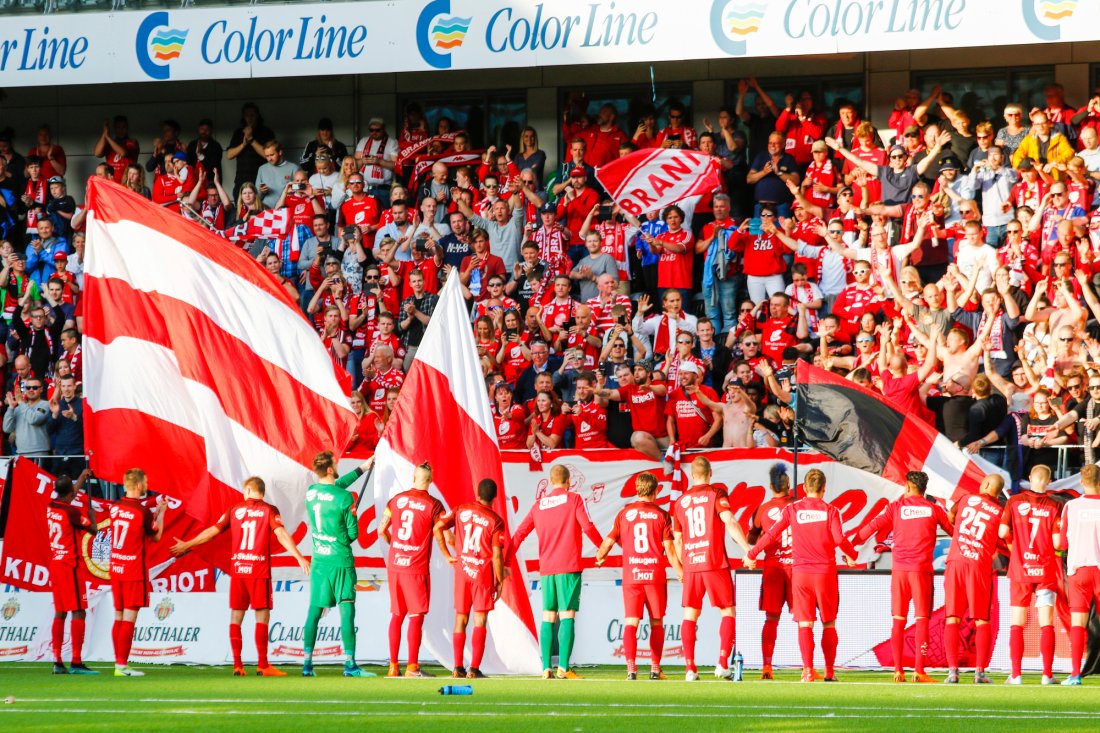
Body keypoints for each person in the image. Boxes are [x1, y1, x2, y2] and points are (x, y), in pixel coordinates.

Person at [171, 476, 310, 677]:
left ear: (247, 491)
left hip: (238, 570)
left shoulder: (234, 510)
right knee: (262, 615)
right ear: (262, 492)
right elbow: (280, 534)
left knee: (236, 616)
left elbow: (211, 532)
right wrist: (298, 557)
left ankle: (237, 665)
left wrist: (187, 544)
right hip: (258, 570)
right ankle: (263, 665)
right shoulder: (269, 510)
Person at [746, 468, 858, 683]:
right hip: (825, 572)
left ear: (805, 488)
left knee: (805, 623)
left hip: (801, 574)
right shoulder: (831, 510)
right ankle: (829, 672)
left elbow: (771, 534)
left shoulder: (793, 509)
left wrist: (751, 553)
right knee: (829, 623)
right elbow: (839, 539)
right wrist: (852, 555)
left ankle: (807, 671)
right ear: (824, 489)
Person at [855, 471, 952, 683]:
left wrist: (850, 546)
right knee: (921, 620)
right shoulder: (934, 510)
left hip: (899, 572)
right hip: (921, 572)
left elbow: (869, 529)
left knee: (898, 620)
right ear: (925, 489)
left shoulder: (896, 508)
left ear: (907, 487)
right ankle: (919, 670)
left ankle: (898, 670)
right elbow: (953, 531)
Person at [510, 463, 603, 679]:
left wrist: (506, 559)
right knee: (567, 614)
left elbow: (520, 533)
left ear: (551, 481)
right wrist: (602, 548)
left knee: (548, 615)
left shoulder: (539, 504)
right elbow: (587, 526)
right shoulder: (574, 499)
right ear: (568, 481)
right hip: (568, 566)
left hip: (547, 569)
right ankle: (563, 667)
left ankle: (545, 668)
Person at [594, 471, 681, 680]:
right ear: (656, 490)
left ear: (637, 490)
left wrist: (600, 556)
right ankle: (654, 668)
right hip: (654, 576)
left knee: (631, 622)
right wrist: (680, 570)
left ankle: (631, 669)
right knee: (657, 622)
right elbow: (669, 549)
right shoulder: (662, 515)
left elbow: (608, 542)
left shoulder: (625, 514)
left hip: (632, 575)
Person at [671, 456, 750, 681]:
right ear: (710, 473)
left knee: (690, 614)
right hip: (714, 561)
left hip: (692, 564)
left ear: (691, 475)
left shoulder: (680, 502)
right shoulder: (716, 494)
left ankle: (689, 669)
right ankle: (722, 664)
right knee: (728, 611)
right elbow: (731, 521)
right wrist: (747, 550)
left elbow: (677, 540)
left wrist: (682, 566)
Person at [302, 451, 374, 678]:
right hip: (341, 561)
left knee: (314, 611)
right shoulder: (345, 499)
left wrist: (363, 468)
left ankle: (307, 665)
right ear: (331, 469)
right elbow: (352, 534)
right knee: (347, 610)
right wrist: (348, 521)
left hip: (320, 561)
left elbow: (335, 487)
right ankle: (350, 664)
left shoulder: (312, 492)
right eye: (336, 462)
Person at [433, 478, 506, 679]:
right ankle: (473, 669)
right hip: (482, 574)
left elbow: (438, 527)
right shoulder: (496, 520)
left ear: (477, 494)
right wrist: (500, 580)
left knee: (460, 618)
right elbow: (497, 555)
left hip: (463, 571)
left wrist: (447, 553)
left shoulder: (460, 509)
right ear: (495, 497)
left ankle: (457, 667)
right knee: (480, 619)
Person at [380, 461, 446, 678]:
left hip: (396, 564)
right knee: (416, 617)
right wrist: (449, 553)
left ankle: (392, 667)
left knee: (396, 615)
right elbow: (442, 532)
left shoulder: (396, 500)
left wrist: (395, 545)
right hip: (415, 567)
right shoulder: (434, 505)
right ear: (431, 481)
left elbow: (381, 530)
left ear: (413, 478)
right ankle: (412, 667)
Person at [999, 464, 1061, 686]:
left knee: (1018, 622)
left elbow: (1002, 532)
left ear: (1029, 478)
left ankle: (1016, 675)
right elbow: (1057, 543)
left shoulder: (1014, 502)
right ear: (1049, 481)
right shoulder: (1055, 506)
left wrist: (1014, 547)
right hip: (1045, 570)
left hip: (1020, 568)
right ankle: (1047, 674)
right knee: (1046, 623)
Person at [942, 474, 1006, 684]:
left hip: (956, 562)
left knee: (953, 617)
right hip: (979, 565)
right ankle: (979, 672)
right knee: (982, 620)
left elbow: (951, 518)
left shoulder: (966, 499)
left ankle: (952, 672)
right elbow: (1003, 539)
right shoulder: (999, 512)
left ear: (986, 484)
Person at [110, 468, 167, 677]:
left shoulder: (115, 507)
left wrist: (155, 512)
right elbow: (156, 536)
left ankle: (117, 662)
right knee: (129, 618)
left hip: (116, 568)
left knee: (118, 615)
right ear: (141, 485)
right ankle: (121, 666)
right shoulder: (142, 512)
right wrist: (162, 514)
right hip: (133, 570)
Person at [46, 471, 98, 675]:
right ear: (69, 494)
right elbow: (93, 530)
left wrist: (82, 478)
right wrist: (92, 517)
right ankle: (76, 662)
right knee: (79, 611)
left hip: (55, 564)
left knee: (60, 612)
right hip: (70, 565)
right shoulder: (72, 513)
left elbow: (68, 496)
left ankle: (57, 661)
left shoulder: (51, 505)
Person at [746, 463, 794, 679]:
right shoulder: (798, 505)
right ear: (789, 486)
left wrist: (751, 552)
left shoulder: (762, 509)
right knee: (805, 620)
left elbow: (751, 538)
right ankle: (808, 668)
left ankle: (767, 666)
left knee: (771, 619)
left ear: (770, 487)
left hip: (773, 568)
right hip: (796, 568)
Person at [1059, 463, 1100, 685]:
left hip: (1078, 570)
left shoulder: (1071, 507)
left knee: (1078, 623)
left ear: (1082, 482)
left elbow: (1062, 542)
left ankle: (1075, 674)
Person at [3, 375, 50, 455]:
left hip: (39, 452)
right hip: (20, 453)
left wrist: (21, 402)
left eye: (35, 387)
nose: (31, 390)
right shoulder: (19, 408)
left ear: (41, 389)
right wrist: (11, 407)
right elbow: (7, 428)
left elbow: (34, 419)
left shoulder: (45, 405)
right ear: (25, 390)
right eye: (28, 388)